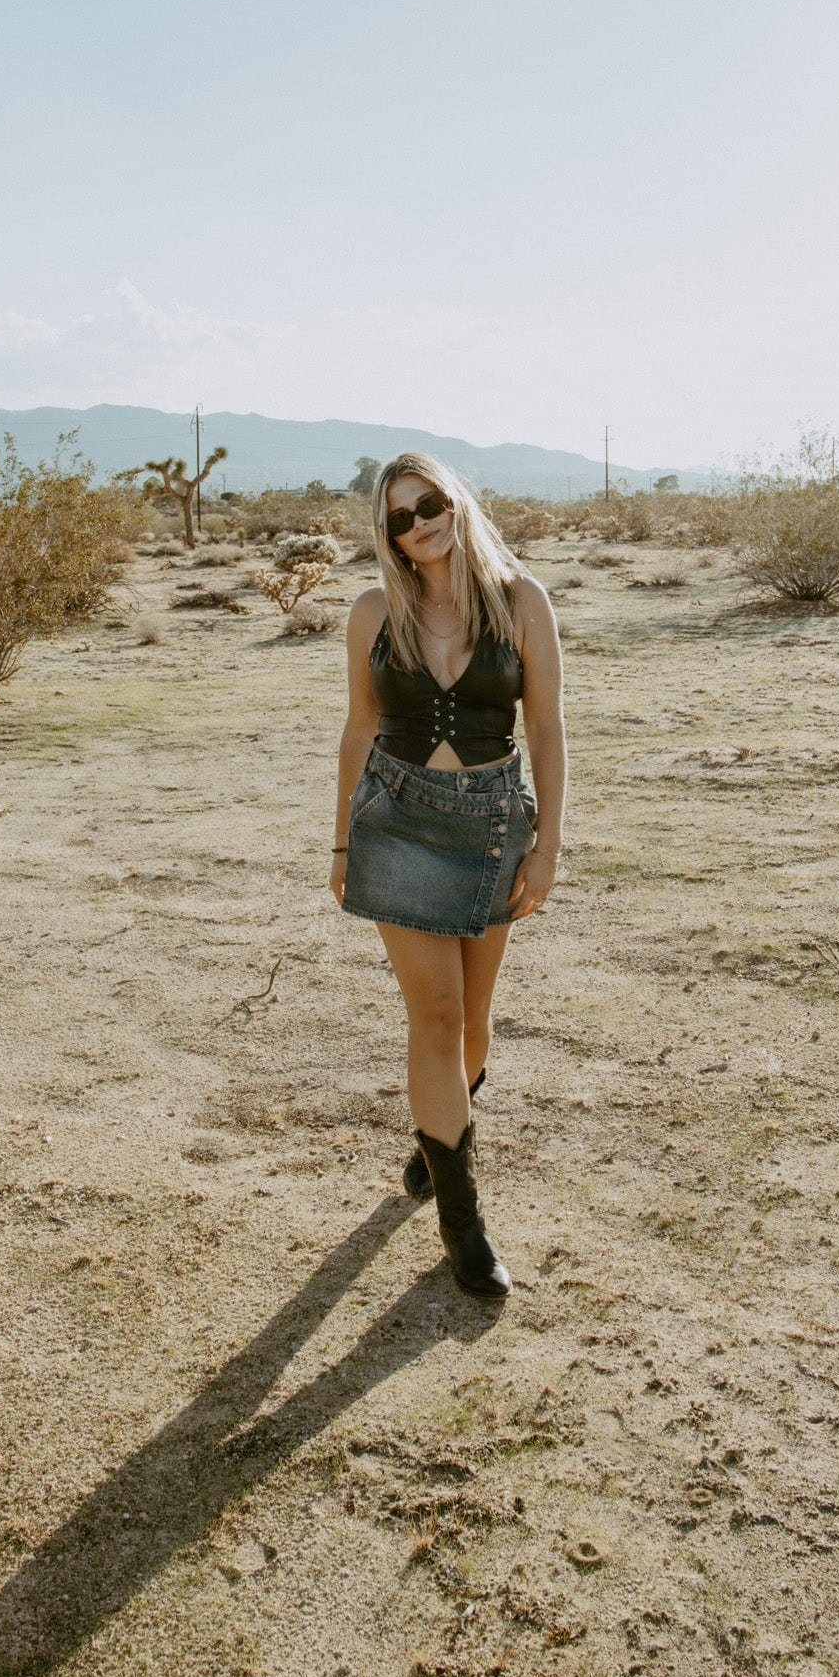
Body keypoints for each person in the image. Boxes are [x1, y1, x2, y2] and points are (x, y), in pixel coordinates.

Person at [331, 453, 566, 1298]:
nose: (418, 524)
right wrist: (340, 845)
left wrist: (547, 847)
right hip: (395, 822)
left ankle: (439, 1132)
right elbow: (358, 732)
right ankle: (462, 1225)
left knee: (472, 1023)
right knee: (432, 1013)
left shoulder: (520, 601)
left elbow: (545, 730)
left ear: (454, 501)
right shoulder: (371, 614)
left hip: (493, 820)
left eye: (426, 504)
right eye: (398, 517)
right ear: (387, 536)